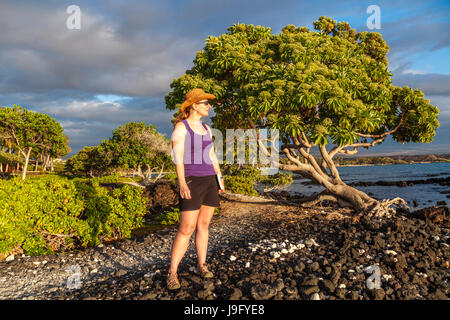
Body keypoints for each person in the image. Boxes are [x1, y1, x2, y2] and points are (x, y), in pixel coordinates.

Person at [167, 88, 225, 290]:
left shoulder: (207, 128)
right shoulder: (181, 128)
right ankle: (172, 273)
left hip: (209, 179)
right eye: (205, 103)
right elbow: (178, 158)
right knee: (186, 228)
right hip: (191, 180)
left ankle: (202, 264)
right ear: (194, 105)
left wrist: (219, 178)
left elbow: (212, 155)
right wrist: (182, 183)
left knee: (204, 225)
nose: (209, 106)